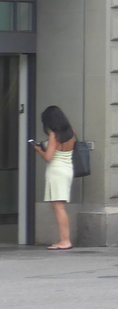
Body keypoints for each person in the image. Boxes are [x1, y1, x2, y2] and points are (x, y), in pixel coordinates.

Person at [31, 105, 77, 250]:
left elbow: (49, 157)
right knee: (59, 206)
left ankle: (65, 240)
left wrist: (38, 149)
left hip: (56, 171)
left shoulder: (54, 135)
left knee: (58, 207)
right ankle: (64, 240)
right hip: (67, 169)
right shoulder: (71, 133)